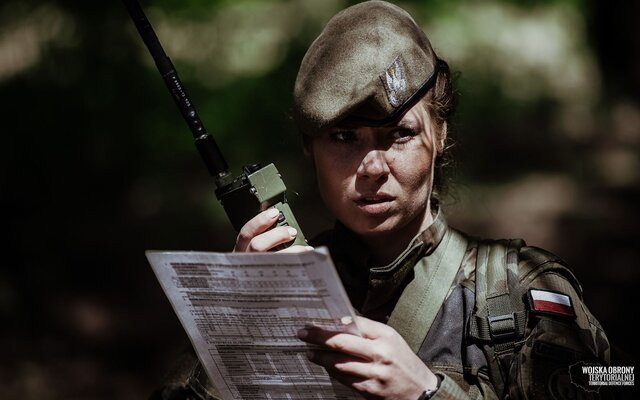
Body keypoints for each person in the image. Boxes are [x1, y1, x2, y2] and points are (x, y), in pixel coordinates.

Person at [151, 1, 611, 399]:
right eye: (345, 137)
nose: (371, 167)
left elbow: (620, 378)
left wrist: (427, 392)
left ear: (440, 134)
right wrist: (236, 320)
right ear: (309, 148)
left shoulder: (523, 289)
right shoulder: (267, 289)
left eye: (399, 134)